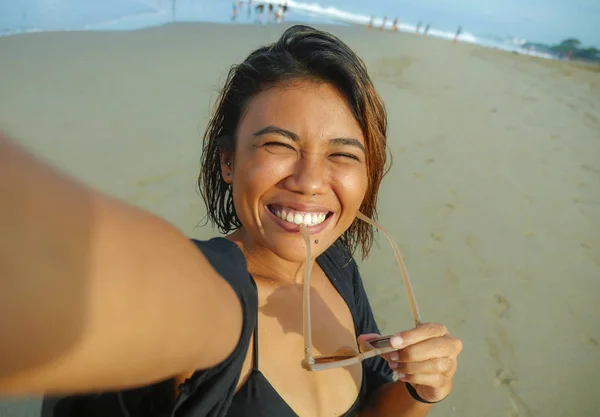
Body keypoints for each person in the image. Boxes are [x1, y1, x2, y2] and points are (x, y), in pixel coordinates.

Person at [0, 25, 462, 417]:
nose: (310, 181)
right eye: (278, 145)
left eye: (342, 154)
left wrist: (417, 388)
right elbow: (89, 283)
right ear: (227, 161)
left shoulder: (338, 267)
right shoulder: (215, 290)